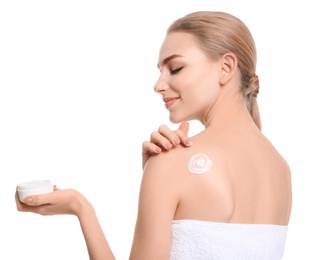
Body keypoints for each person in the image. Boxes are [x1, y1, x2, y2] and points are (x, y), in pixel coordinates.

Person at [15, 11, 292, 259]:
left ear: (226, 67)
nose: (159, 85)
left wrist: (80, 207)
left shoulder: (171, 162)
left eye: (176, 68)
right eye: (160, 71)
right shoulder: (281, 169)